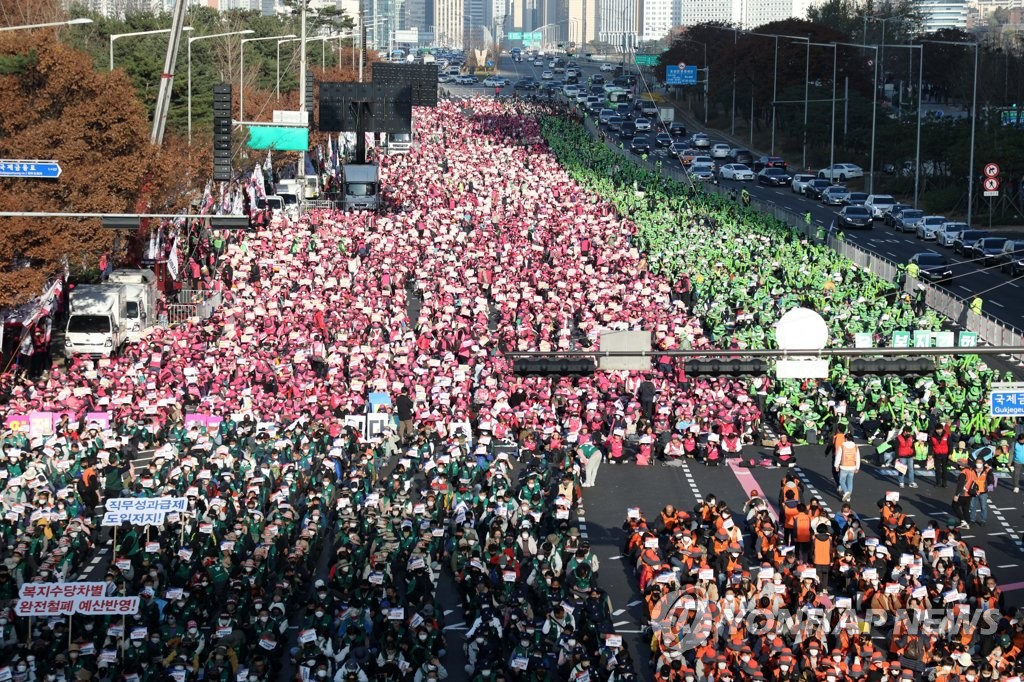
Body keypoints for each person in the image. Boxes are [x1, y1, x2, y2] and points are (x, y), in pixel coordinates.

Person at [834, 438, 860, 503]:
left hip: (844, 466)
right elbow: (858, 457)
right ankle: (848, 497)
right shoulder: (855, 447)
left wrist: (836, 465)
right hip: (852, 466)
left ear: (846, 439)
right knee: (850, 482)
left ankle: (846, 492)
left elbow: (838, 456)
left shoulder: (842, 446)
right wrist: (857, 467)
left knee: (842, 481)